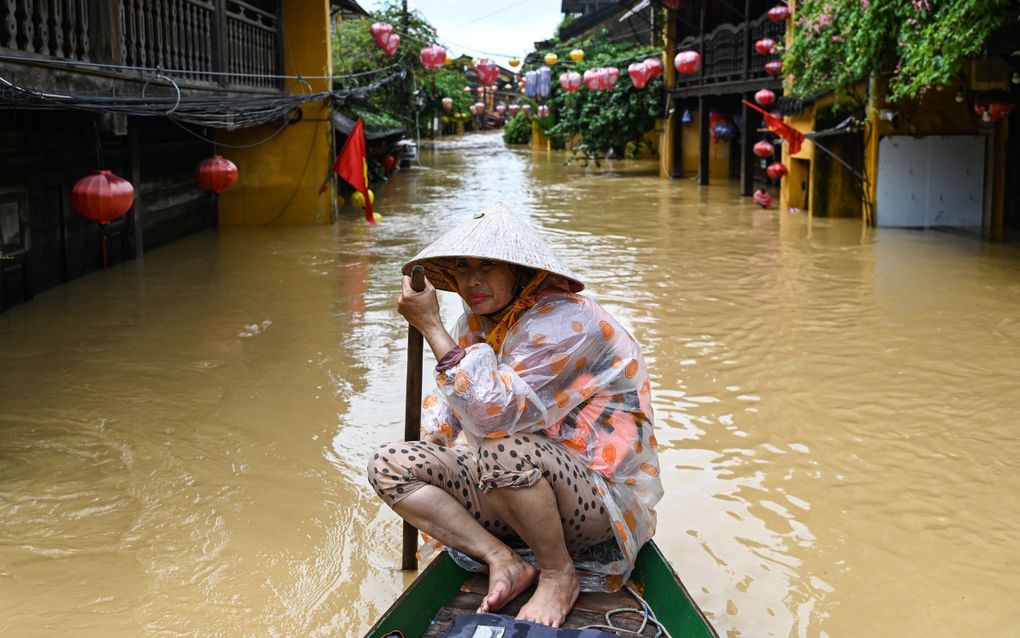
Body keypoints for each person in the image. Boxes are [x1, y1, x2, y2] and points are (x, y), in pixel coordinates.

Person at [367, 202, 663, 628]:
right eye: (463, 267)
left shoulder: (567, 320)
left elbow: (492, 415)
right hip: (516, 482)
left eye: (488, 265)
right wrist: (431, 450)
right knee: (390, 464)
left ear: (520, 271)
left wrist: (431, 327)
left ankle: (558, 574)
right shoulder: (478, 323)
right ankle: (502, 558)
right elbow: (450, 411)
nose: (473, 280)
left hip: (597, 498)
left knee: (500, 447)